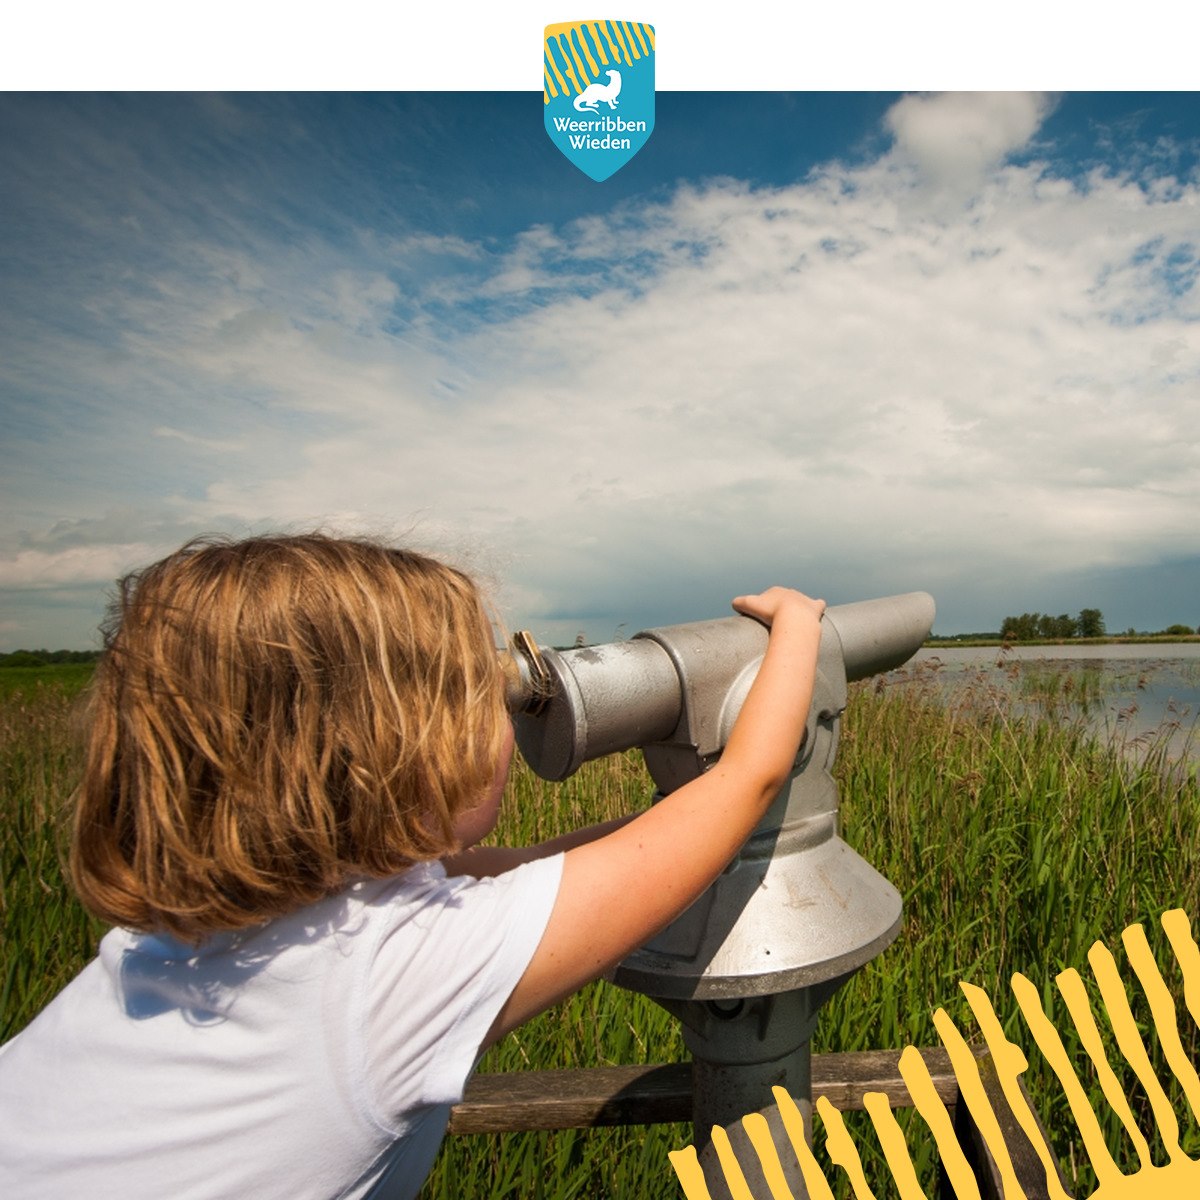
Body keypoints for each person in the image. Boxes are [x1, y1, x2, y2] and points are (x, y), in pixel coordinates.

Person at [0, 534, 825, 1199]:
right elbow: (744, 784)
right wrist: (795, 634)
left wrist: (660, 820)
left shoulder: (190, 937)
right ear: (398, 749)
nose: (510, 723)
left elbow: (521, 868)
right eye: (490, 700)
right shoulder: (388, 978)